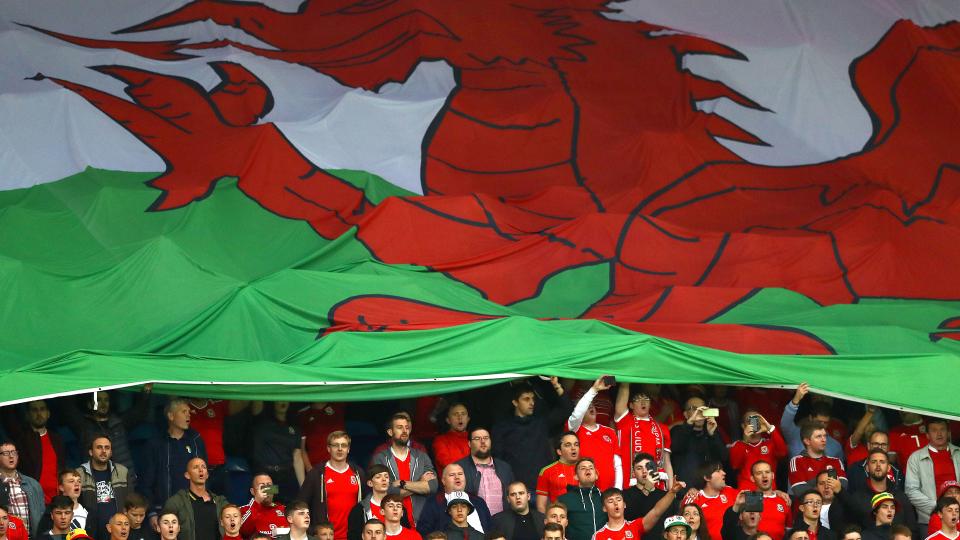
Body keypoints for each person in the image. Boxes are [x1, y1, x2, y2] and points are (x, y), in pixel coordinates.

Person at [492, 379, 572, 494]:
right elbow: (498, 460)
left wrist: (556, 385)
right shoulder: (502, 428)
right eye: (526, 399)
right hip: (517, 490)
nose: (532, 403)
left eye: (533, 399)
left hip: (544, 489)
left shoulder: (541, 422)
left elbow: (566, 409)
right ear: (515, 402)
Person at [59, 387, 153, 477]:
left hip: (122, 481)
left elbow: (140, 412)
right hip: (96, 484)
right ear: (89, 404)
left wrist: (146, 391)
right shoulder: (84, 426)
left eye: (106, 400)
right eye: (98, 400)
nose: (103, 403)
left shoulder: (119, 423)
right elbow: (68, 408)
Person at [143, 399, 208, 526]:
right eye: (184, 412)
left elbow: (205, 476)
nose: (188, 414)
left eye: (189, 412)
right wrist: (152, 513)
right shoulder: (155, 444)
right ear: (171, 416)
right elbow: (146, 482)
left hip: (194, 510)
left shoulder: (195, 440)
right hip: (165, 511)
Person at [371, 414, 438, 525]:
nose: (404, 431)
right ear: (390, 432)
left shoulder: (421, 456)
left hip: (421, 521)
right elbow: (388, 491)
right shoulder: (381, 458)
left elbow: (433, 486)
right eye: (399, 427)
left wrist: (402, 483)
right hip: (393, 522)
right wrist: (421, 484)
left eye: (407, 428)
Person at [297, 431, 363, 540]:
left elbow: (365, 503)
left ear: (348, 449)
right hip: (324, 537)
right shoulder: (316, 473)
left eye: (344, 445)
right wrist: (311, 531)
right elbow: (301, 504)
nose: (340, 449)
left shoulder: (358, 473)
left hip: (352, 536)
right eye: (335, 445)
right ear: (328, 448)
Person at [830, 450, 915, 530]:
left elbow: (912, 529)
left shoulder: (900, 497)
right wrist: (841, 493)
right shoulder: (857, 498)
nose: (878, 465)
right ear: (867, 468)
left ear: (889, 468)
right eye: (874, 462)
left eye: (882, 462)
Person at [0, 400, 66, 503]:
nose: (39, 413)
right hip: (33, 501)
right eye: (34, 410)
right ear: (27, 415)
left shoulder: (57, 439)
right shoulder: (21, 438)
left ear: (48, 413)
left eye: (42, 409)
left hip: (57, 501)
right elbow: (8, 415)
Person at [566, 377, 620, 491]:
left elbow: (617, 463)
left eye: (592, 404)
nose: (591, 406)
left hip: (609, 492)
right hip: (583, 489)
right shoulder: (574, 430)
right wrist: (594, 389)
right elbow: (576, 415)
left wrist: (618, 489)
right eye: (587, 406)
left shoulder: (609, 432)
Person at [615, 384, 673, 490]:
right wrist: (625, 381)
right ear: (631, 405)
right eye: (638, 400)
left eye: (646, 399)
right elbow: (620, 407)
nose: (643, 402)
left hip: (657, 485)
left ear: (650, 404)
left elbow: (667, 462)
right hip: (631, 485)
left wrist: (671, 490)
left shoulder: (662, 428)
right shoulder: (625, 422)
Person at [906, 418, 960, 526]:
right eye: (934, 430)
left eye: (942, 429)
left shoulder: (958, 454)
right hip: (930, 518)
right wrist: (939, 508)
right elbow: (911, 491)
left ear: (948, 432)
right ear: (927, 435)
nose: (939, 433)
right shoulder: (915, 458)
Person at [78, 435, 134, 540]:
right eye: (99, 447)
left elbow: (130, 503)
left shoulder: (122, 471)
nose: (103, 451)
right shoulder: (79, 474)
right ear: (91, 452)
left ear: (111, 452)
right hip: (89, 531)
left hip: (117, 533)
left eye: (107, 448)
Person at [161, 458, 228, 540]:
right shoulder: (176, 502)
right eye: (196, 467)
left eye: (203, 467)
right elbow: (166, 532)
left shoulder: (220, 502)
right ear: (187, 475)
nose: (201, 470)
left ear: (207, 475)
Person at [417, 464, 492, 536]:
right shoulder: (433, 503)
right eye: (452, 475)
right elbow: (425, 533)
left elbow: (490, 529)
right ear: (443, 481)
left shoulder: (479, 501)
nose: (457, 477)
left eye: (460, 474)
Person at [669, 397, 726, 490]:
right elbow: (676, 447)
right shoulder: (678, 430)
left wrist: (712, 435)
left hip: (709, 492)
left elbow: (724, 457)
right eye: (694, 409)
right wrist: (689, 424)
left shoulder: (711, 431)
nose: (699, 412)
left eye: (702, 409)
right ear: (686, 414)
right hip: (685, 492)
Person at [591, 484, 684, 540]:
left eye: (618, 500)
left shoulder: (635, 526)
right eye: (610, 501)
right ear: (604, 508)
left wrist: (672, 492)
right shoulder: (599, 536)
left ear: (624, 505)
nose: (616, 503)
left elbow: (657, 511)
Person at [457, 428, 514, 515]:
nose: (483, 441)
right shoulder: (459, 468)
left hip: (502, 524)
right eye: (477, 438)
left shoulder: (505, 468)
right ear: (469, 444)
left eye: (486, 438)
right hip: (472, 524)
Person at [780, 385, 843, 460]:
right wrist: (796, 399)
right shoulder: (795, 434)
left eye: (825, 422)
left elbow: (839, 470)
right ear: (810, 418)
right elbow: (785, 423)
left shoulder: (835, 446)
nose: (822, 425)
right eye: (819, 421)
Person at [347, 466, 411, 540]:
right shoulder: (359, 509)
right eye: (378, 477)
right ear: (370, 483)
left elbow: (406, 533)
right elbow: (353, 537)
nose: (384, 479)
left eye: (386, 477)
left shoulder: (399, 508)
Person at [729, 411, 787, 491]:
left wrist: (770, 428)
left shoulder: (770, 443)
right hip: (747, 492)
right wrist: (745, 440)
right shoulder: (738, 445)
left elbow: (783, 453)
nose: (753, 423)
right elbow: (735, 465)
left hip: (769, 491)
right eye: (750, 420)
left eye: (757, 419)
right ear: (743, 426)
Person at [623, 454, 677, 540]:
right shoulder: (624, 495)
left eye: (648, 466)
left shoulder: (666, 496)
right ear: (633, 473)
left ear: (655, 469)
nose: (644, 471)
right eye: (639, 468)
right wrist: (647, 488)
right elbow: (630, 516)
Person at [681, 462, 737, 540]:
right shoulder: (694, 498)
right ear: (707, 478)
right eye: (718, 471)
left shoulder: (730, 491)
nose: (724, 473)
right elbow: (683, 527)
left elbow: (753, 504)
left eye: (722, 470)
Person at [787, 422, 846, 495]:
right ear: (807, 441)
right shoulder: (797, 461)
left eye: (825, 436)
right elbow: (800, 490)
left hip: (833, 505)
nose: (823, 439)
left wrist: (812, 484)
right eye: (818, 436)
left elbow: (843, 487)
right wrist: (829, 483)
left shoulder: (836, 461)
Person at [0, 440, 45, 534]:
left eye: (13, 452)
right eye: (6, 453)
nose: (11, 456)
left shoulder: (33, 484)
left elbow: (42, 516)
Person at [555, 459, 603, 540]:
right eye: (583, 468)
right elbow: (555, 528)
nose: (588, 470)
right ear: (576, 477)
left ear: (596, 475)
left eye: (591, 468)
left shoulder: (606, 498)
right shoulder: (563, 500)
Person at [536, 433, 580, 512]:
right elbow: (541, 506)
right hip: (559, 519)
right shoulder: (547, 471)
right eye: (568, 445)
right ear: (559, 451)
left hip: (583, 517)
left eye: (576, 444)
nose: (573, 448)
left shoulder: (587, 468)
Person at [749, 461, 791, 540]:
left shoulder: (784, 500)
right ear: (752, 478)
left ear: (772, 475)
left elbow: (788, 529)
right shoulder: (752, 498)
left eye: (767, 472)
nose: (764, 476)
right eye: (759, 473)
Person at [298, 403, 346, 473]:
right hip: (316, 467)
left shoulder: (338, 405)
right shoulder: (303, 414)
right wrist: (311, 471)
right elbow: (302, 448)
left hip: (339, 466)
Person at [240, 474, 288, 539]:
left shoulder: (284, 509)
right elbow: (244, 531)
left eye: (269, 486)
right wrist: (257, 502)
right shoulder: (242, 510)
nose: (266, 490)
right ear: (253, 491)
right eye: (262, 487)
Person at [433, 405, 472, 474]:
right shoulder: (441, 441)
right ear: (448, 420)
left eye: (463, 414)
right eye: (455, 414)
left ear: (468, 419)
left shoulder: (475, 438)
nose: (460, 417)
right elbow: (447, 463)